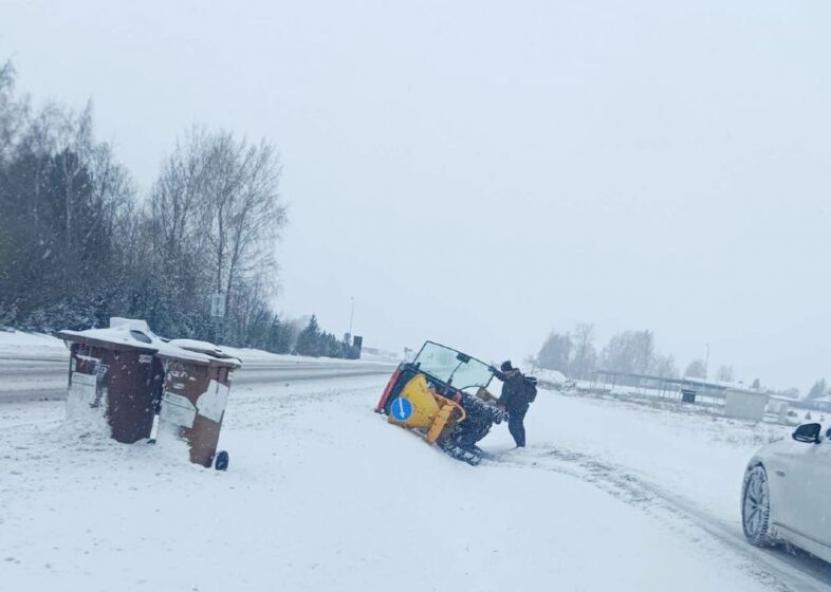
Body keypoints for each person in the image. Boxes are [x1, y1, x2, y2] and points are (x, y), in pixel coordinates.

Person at [494, 360, 534, 448]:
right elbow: (503, 377)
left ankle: (520, 446)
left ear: (507, 370)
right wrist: (495, 372)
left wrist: (498, 404)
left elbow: (505, 396)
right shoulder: (515, 375)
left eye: (503, 371)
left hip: (517, 407)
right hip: (522, 406)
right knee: (519, 425)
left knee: (513, 427)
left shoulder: (511, 381)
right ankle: (521, 444)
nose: (503, 373)